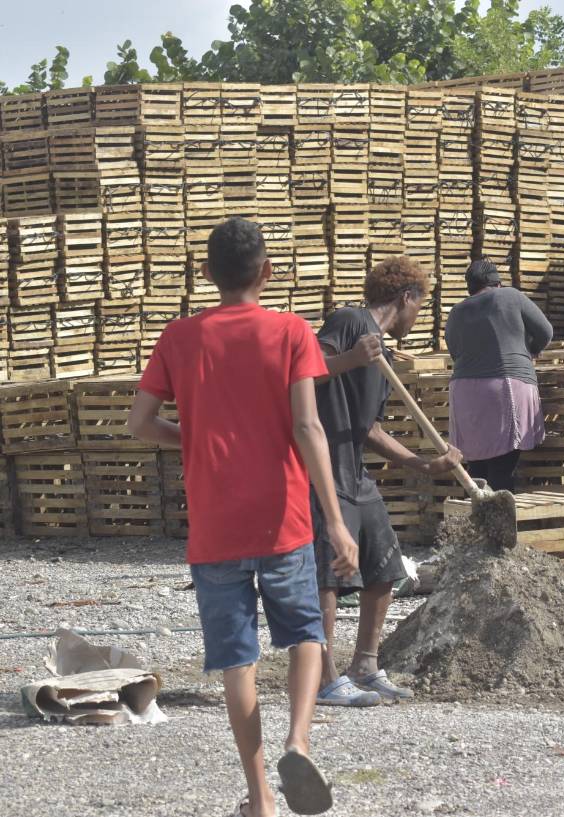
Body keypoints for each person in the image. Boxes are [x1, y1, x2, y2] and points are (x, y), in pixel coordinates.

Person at [128, 217, 354, 817]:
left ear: (207, 274)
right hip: (282, 519)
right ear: (268, 272)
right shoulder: (291, 332)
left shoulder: (179, 338)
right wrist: (335, 520)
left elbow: (140, 422)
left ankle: (259, 800)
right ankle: (298, 742)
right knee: (306, 633)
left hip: (217, 527)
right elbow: (308, 427)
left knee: (237, 660)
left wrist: (194, 435)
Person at [311, 255, 463, 706]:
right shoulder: (350, 321)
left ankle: (366, 665)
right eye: (421, 306)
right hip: (321, 467)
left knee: (383, 569)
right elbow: (307, 365)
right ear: (406, 298)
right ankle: (324, 679)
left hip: (354, 470)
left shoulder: (384, 357)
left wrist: (422, 463)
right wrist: (353, 357)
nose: (417, 318)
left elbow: (370, 429)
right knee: (330, 577)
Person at [444, 259, 552, 492]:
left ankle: (475, 524)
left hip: (465, 394)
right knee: (502, 469)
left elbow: (454, 350)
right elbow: (545, 331)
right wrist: (530, 352)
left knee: (477, 470)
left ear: (469, 287)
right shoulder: (511, 296)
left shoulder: (457, 311)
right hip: (505, 387)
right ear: (498, 283)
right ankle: (499, 525)